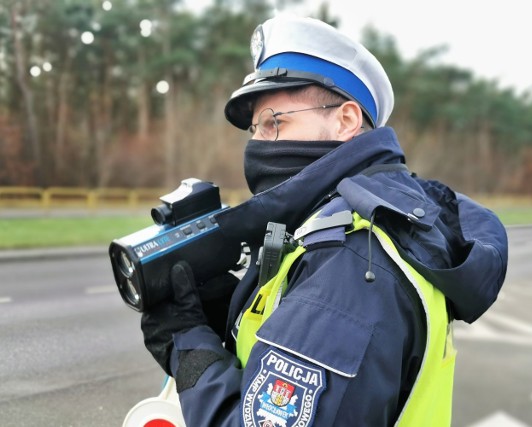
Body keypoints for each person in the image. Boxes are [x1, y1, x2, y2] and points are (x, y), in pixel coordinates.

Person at [140, 14, 508, 427]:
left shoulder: (353, 260)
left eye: (274, 124)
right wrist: (225, 311)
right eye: (254, 130)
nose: (257, 144)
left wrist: (188, 345)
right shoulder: (339, 224)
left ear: (346, 121)